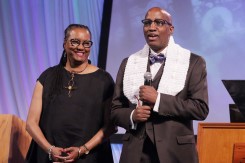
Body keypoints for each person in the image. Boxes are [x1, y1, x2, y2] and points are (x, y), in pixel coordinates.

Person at [111, 7, 209, 163]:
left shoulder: (193, 62)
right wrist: (131, 116)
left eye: (159, 22)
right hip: (136, 153)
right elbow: (114, 110)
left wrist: (158, 99)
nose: (151, 27)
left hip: (175, 153)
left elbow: (200, 108)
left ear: (171, 29)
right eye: (147, 22)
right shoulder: (129, 62)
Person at [25, 24, 115, 163]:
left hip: (89, 157)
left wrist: (82, 150)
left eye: (86, 43)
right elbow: (31, 122)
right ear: (64, 44)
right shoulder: (47, 76)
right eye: (75, 42)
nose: (81, 47)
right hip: (48, 157)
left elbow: (110, 126)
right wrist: (50, 149)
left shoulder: (104, 80)